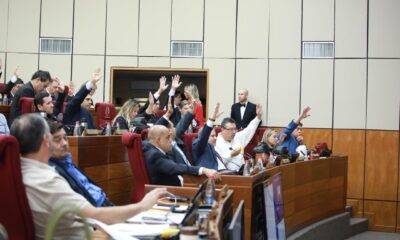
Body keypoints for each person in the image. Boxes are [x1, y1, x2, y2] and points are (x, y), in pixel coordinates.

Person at [10, 114, 167, 239]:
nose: (63, 143)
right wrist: (143, 206)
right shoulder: (48, 179)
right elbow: (96, 215)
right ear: (46, 141)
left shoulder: (16, 173)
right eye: (55, 139)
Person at [48, 122, 113, 207]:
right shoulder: (53, 171)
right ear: (46, 144)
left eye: (65, 138)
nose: (64, 143)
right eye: (57, 140)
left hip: (103, 200)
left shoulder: (67, 160)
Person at [142, 125, 220, 186]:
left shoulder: (152, 147)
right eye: (167, 137)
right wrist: (203, 170)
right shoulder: (153, 155)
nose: (171, 140)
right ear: (158, 140)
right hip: (169, 194)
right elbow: (174, 167)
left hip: (180, 186)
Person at [215, 104, 262, 171]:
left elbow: (249, 130)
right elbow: (218, 164)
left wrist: (258, 117)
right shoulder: (216, 143)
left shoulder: (237, 136)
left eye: (235, 129)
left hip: (244, 171)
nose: (234, 132)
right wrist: (231, 155)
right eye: (231, 129)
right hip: (229, 175)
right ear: (222, 129)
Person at [192, 103, 226, 170]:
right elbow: (203, 137)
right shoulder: (198, 145)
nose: (215, 138)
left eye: (215, 136)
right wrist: (212, 119)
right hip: (209, 176)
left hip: (226, 173)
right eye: (212, 136)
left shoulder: (214, 147)